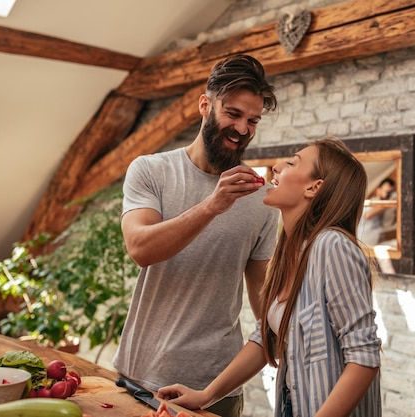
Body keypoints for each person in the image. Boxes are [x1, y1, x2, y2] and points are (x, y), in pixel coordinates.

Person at [159, 138, 382, 417]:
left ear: (314, 187)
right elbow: (268, 337)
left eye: (291, 163)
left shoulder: (332, 246)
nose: (276, 167)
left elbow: (364, 357)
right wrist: (205, 395)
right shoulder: (291, 250)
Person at [112, 54, 279, 417]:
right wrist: (212, 205)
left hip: (215, 388)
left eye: (252, 120)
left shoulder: (262, 198)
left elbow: (263, 300)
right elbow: (140, 247)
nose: (242, 128)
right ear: (205, 105)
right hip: (141, 377)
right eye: (232, 114)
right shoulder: (150, 170)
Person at [358, 178, 396, 246]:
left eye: (391, 192)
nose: (389, 194)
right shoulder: (370, 203)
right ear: (378, 190)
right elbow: (367, 215)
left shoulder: (387, 207)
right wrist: (389, 204)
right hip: (365, 242)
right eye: (387, 191)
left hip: (376, 241)